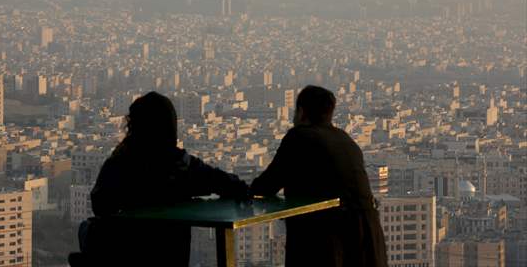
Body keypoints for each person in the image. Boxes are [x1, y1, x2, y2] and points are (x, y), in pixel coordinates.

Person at [77, 92, 248, 266]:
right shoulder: (181, 166)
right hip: (171, 254)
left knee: (88, 228)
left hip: (124, 254)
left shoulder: (121, 162)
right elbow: (223, 182)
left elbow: (99, 202)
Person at [251, 85, 387, 267]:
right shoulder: (346, 140)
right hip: (369, 236)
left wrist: (239, 189)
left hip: (326, 237)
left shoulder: (300, 137)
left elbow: (266, 186)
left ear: (301, 112)